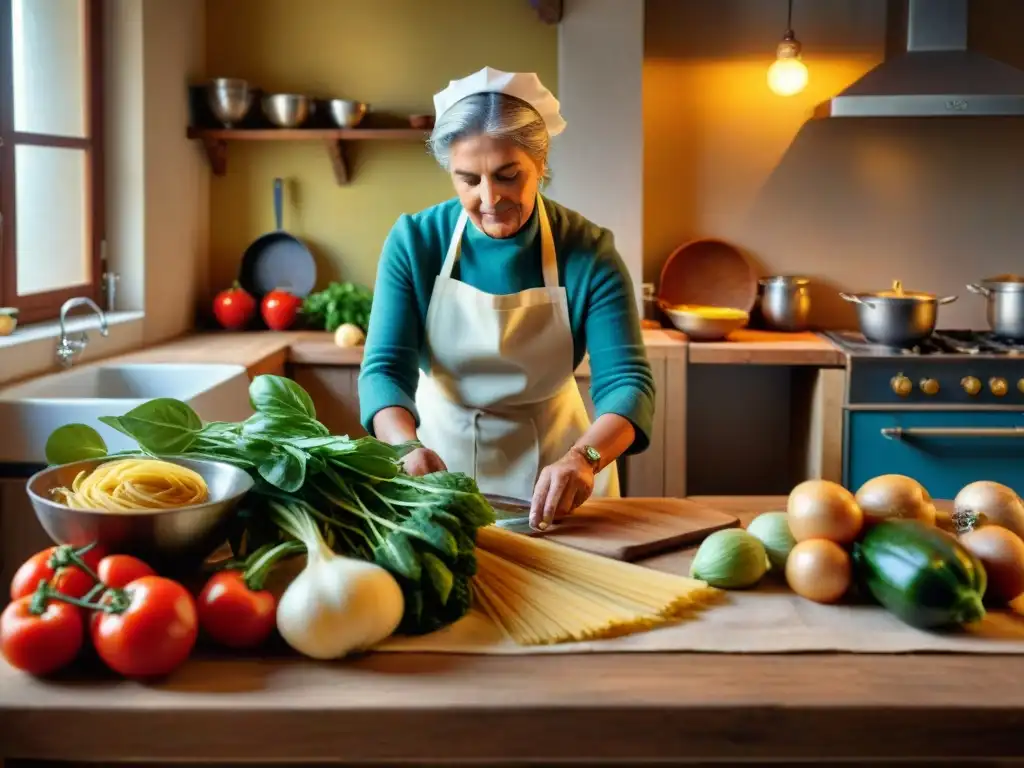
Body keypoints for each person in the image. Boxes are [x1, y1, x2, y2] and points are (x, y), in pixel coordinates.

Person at [358, 66, 655, 530]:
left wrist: (586, 457)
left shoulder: (587, 250)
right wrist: (405, 447)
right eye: (467, 180)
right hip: (439, 467)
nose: (489, 198)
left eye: (507, 175)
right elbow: (383, 371)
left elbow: (628, 384)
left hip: (562, 470)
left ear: (540, 162)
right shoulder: (415, 242)